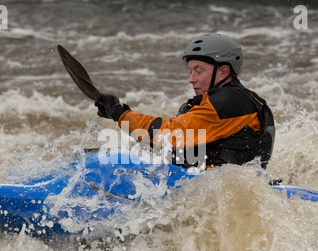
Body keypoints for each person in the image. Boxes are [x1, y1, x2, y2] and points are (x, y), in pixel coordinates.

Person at [95, 34, 275, 169]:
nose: (191, 79)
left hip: (217, 187)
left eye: (199, 70)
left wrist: (120, 113)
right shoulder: (213, 102)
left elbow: (170, 135)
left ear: (224, 72)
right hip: (211, 181)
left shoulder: (228, 102)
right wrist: (118, 115)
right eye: (190, 71)